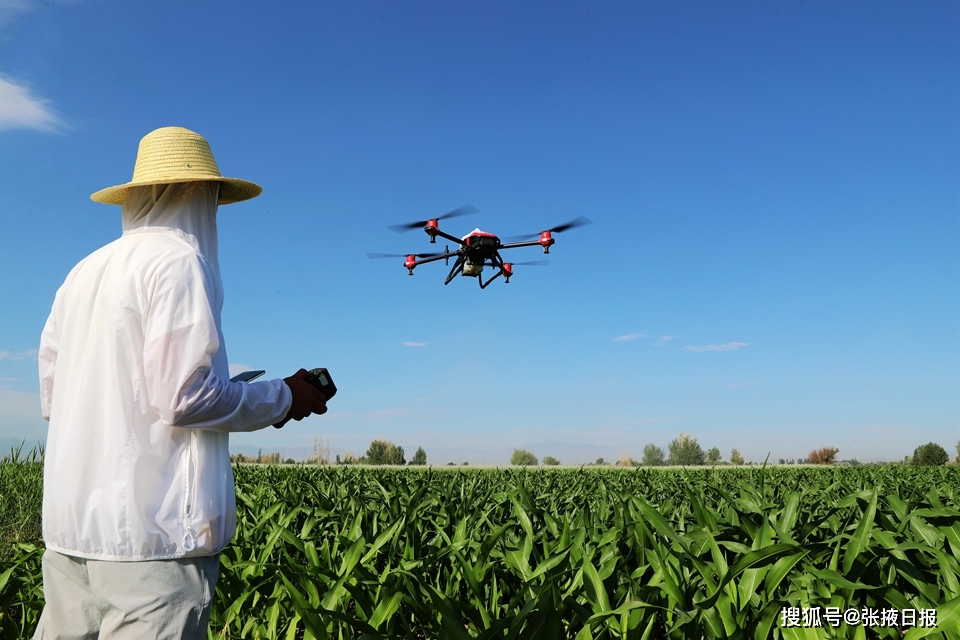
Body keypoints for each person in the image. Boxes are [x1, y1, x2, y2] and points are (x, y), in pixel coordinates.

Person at [34, 126, 327, 639]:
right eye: (212, 194)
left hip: (69, 532)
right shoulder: (180, 262)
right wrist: (284, 396)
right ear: (195, 191)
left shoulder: (81, 273)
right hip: (155, 543)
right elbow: (184, 399)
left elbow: (56, 399)